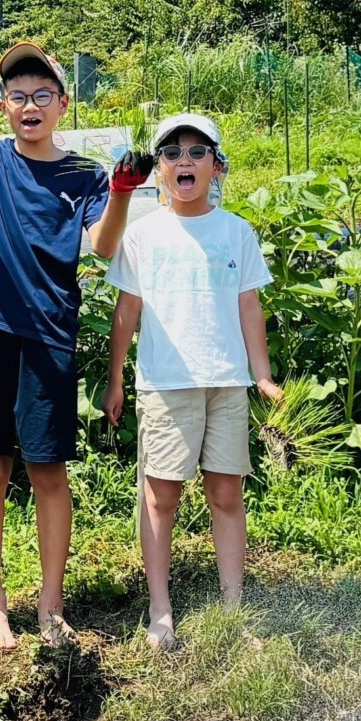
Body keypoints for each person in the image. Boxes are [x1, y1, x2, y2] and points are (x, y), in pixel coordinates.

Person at [0, 13, 144, 648]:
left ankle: (49, 604)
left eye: (43, 93)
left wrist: (122, 191)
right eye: (18, 95)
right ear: (3, 105)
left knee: (47, 472)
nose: (30, 104)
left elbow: (101, 246)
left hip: (49, 335)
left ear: (63, 103)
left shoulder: (87, 175)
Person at [101, 113, 282, 652]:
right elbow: (125, 312)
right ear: (158, 170)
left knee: (226, 493)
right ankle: (161, 612)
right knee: (162, 497)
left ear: (217, 167)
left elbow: (249, 306)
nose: (185, 161)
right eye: (172, 153)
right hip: (165, 383)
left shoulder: (236, 232)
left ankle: (233, 608)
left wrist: (263, 376)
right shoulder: (143, 234)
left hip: (225, 382)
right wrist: (115, 381)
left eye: (197, 152)